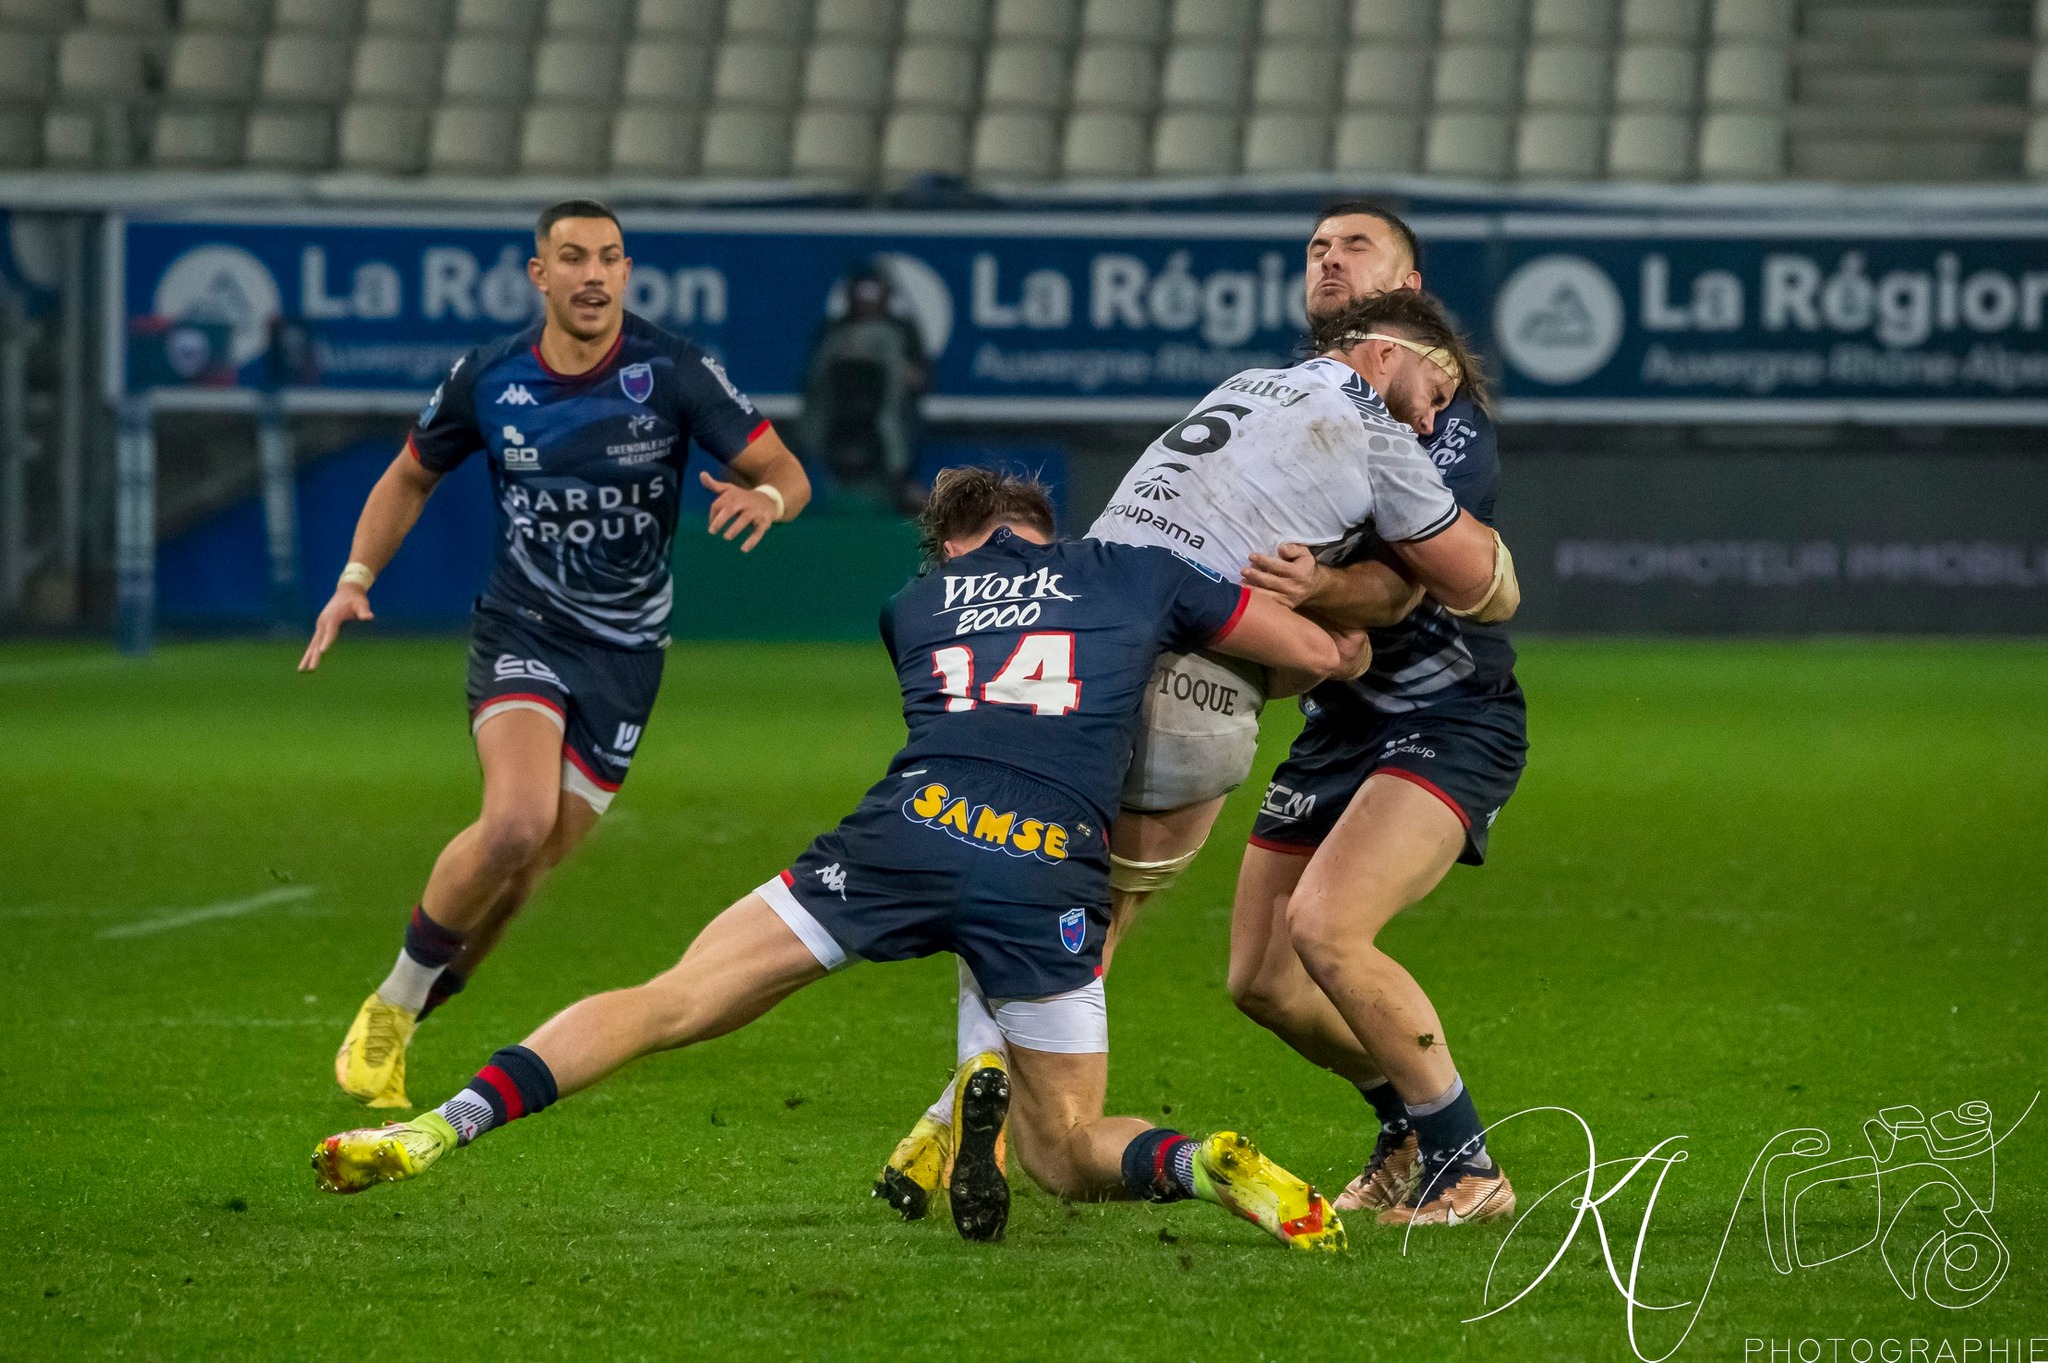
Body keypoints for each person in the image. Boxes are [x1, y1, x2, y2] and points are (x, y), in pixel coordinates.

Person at [312, 467, 1357, 1252]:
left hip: (908, 832)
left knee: (670, 999)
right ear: (1046, 531)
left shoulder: (908, 609)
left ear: (948, 548)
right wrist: (1343, 638)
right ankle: (1196, 1160)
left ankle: (439, 1128)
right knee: (1068, 1148)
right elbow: (1308, 655)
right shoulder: (1132, 571)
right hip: (1049, 868)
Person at [872, 285, 1515, 1221]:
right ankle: (1017, 1125)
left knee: (1043, 890)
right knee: (1087, 929)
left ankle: (957, 1109)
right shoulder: (1376, 432)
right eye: (1435, 381)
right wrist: (1392, 593)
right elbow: (1480, 586)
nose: (1438, 407)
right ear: (1382, 354)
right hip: (1192, 685)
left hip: (1084, 654)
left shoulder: (1242, 386)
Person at [300, 199, 811, 1110]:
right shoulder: (489, 378)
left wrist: (767, 502)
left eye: (610, 258)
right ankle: (392, 1002)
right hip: (524, 630)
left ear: (625, 272)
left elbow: (788, 473)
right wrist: (354, 574)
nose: (593, 275)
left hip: (626, 656)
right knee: (514, 822)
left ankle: (420, 1004)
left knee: (529, 867)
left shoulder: (675, 370)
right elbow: (411, 473)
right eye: (572, 258)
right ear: (539, 275)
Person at [1231, 201, 1526, 1229]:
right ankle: (1404, 1119)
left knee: (1326, 928)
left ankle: (1468, 1163)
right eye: (1312, 245)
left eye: (1352, 245)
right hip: (1336, 725)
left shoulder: (1442, 420)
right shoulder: (1289, 405)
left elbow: (1401, 588)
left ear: (1407, 284)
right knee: (1261, 981)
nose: (1325, 256)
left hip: (1448, 715)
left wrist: (1304, 590)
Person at [795, 264, 928, 510]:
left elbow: (918, 382)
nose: (867, 303)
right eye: (861, 295)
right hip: (835, 444)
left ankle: (900, 487)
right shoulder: (834, 333)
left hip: (887, 443)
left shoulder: (900, 333)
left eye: (873, 295)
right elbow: (814, 391)